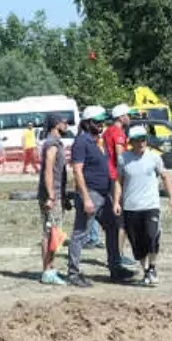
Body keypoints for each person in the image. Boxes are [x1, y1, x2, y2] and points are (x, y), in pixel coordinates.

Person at [67, 106, 133, 287]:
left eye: (102, 121)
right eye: (97, 122)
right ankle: (73, 272)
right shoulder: (81, 142)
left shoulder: (97, 141)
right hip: (91, 193)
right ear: (88, 123)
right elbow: (77, 171)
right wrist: (86, 197)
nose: (100, 124)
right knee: (80, 233)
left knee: (112, 227)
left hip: (103, 195)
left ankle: (115, 268)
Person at [112, 124, 172, 285]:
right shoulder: (124, 159)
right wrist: (116, 201)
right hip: (131, 207)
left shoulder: (154, 158)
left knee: (152, 236)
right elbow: (119, 181)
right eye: (137, 140)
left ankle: (153, 266)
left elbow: (165, 176)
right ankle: (146, 270)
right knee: (138, 243)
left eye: (143, 140)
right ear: (131, 142)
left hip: (150, 206)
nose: (141, 143)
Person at [37, 113, 71, 285]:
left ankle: (50, 267)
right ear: (56, 124)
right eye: (64, 122)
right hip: (52, 195)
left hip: (57, 194)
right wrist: (51, 195)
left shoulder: (55, 143)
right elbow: (48, 171)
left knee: (53, 232)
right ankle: (47, 271)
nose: (67, 125)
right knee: (51, 233)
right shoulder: (52, 144)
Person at [103, 103, 136, 268]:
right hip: (116, 176)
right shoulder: (118, 133)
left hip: (109, 174)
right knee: (120, 220)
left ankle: (117, 253)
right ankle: (119, 254)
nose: (129, 118)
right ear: (121, 117)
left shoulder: (107, 131)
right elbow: (120, 155)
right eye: (128, 115)